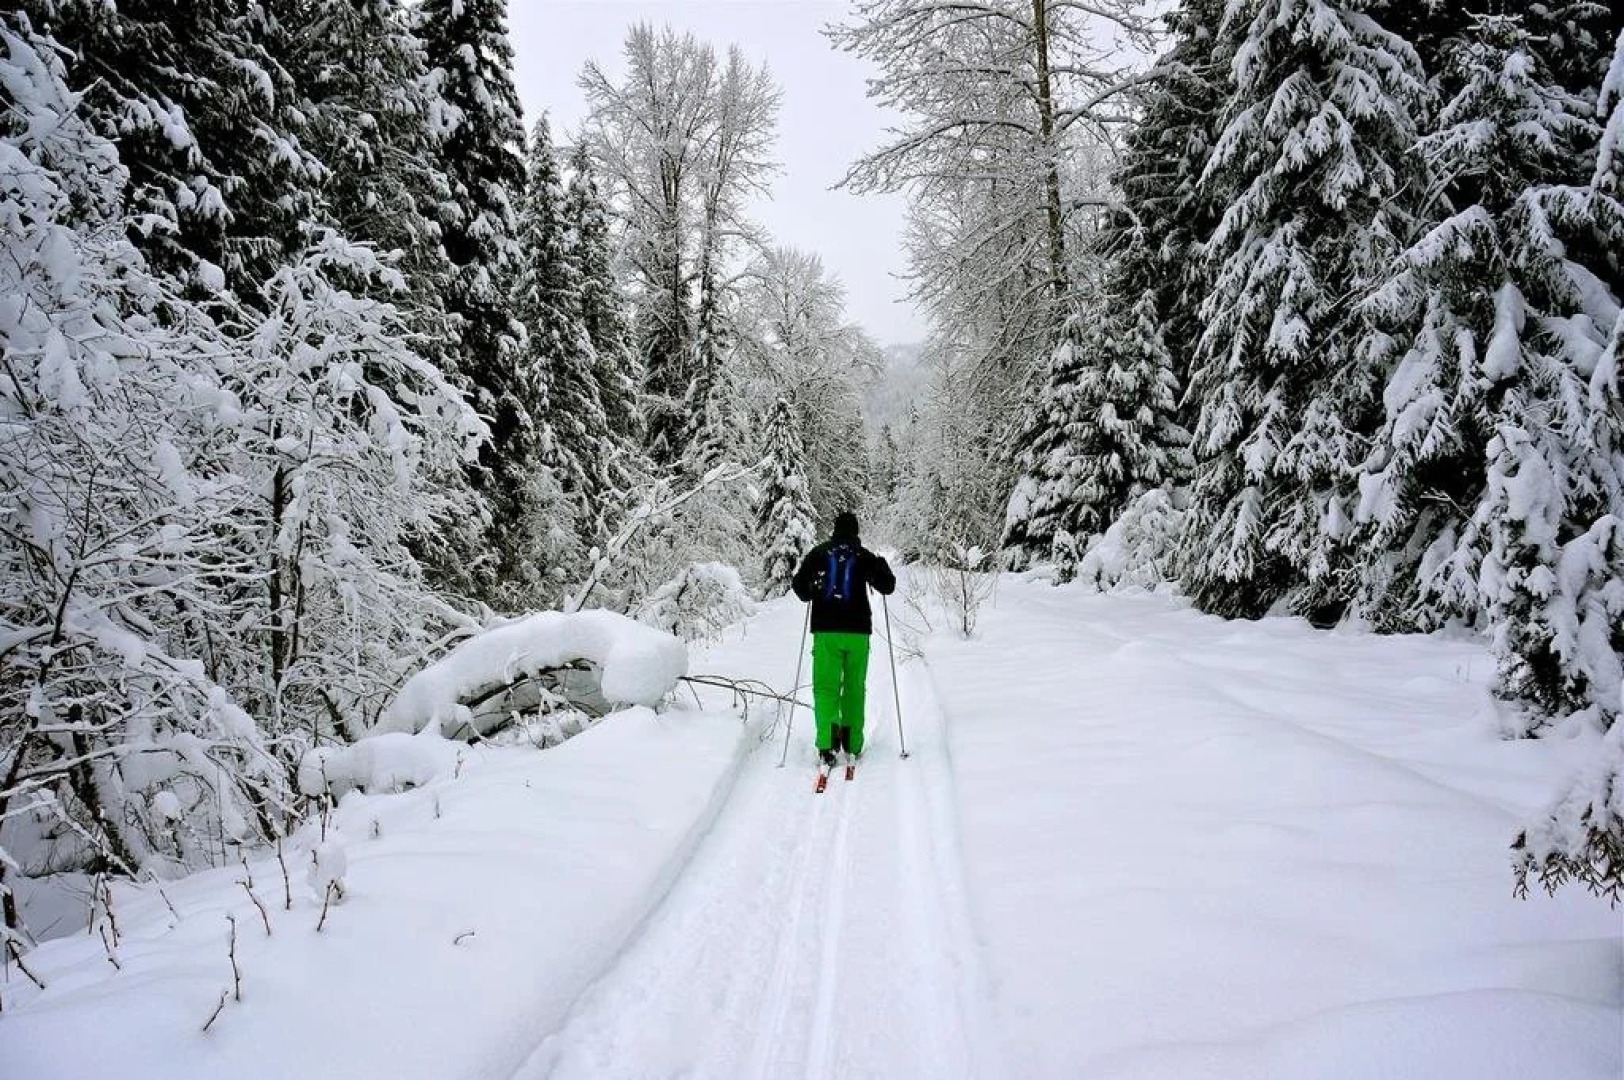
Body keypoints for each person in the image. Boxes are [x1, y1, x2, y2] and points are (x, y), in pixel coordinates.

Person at [791, 511, 896, 767]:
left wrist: (813, 588)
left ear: (834, 530)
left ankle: (827, 745)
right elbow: (888, 585)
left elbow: (800, 589)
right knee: (854, 688)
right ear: (856, 532)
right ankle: (852, 743)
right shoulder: (864, 556)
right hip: (858, 633)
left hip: (826, 632)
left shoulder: (819, 554)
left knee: (826, 688)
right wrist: (881, 565)